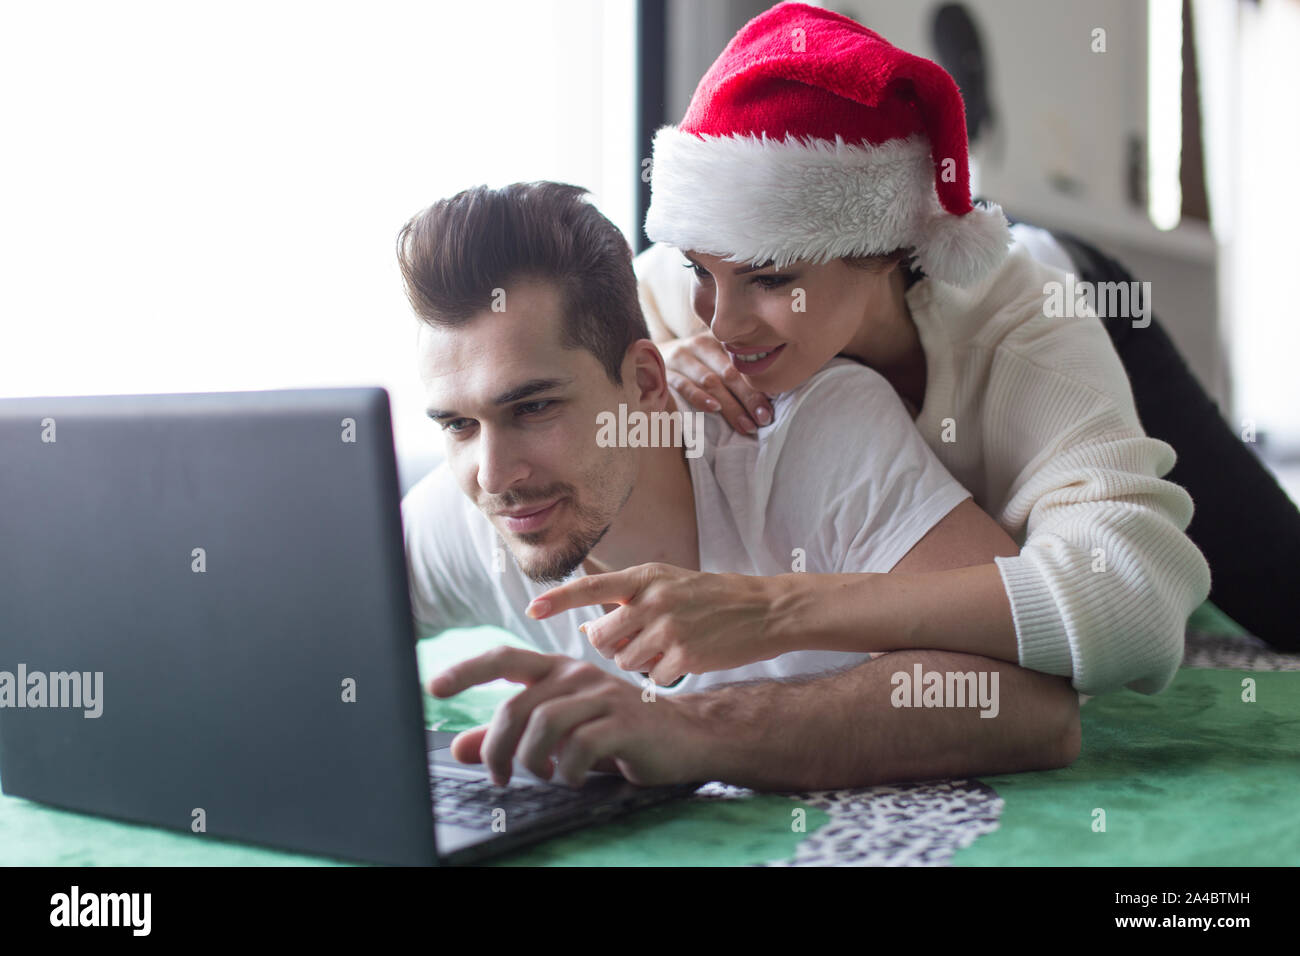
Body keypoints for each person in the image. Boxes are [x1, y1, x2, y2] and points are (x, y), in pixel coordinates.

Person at [552, 1, 1220, 699]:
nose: (720, 323)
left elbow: (1135, 602)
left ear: (886, 249)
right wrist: (659, 359)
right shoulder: (666, 297)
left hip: (1072, 284)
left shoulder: (1027, 334)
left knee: (1275, 584)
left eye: (772, 277)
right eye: (700, 269)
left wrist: (777, 613)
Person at [396, 180, 1079, 791]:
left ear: (644, 382)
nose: (494, 475)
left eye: (535, 408)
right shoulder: (472, 511)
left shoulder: (812, 428)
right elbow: (310, 627)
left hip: (1039, 295)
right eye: (457, 423)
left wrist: (695, 730)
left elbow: (1035, 703)